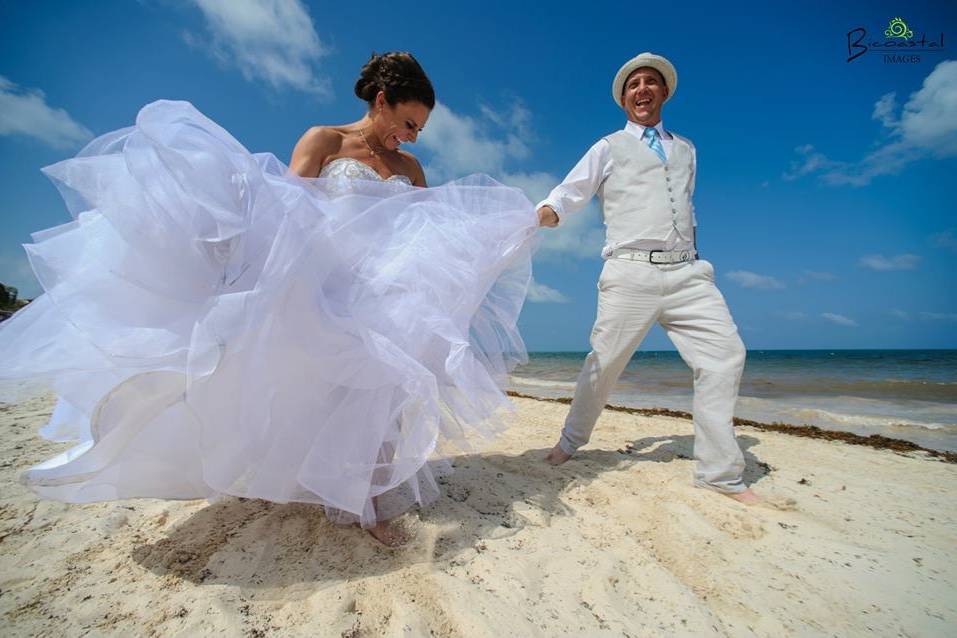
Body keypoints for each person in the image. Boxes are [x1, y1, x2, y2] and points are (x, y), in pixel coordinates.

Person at [0, 52, 538, 546]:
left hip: (386, 292)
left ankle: (369, 500)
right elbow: (282, 208)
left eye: (419, 128)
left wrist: (502, 231)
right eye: (409, 123)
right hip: (323, 285)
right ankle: (310, 481)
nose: (413, 137)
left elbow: (429, 231)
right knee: (309, 389)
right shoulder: (324, 141)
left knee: (387, 390)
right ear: (381, 102)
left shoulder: (410, 171)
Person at [536, 52, 760, 504]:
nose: (642, 89)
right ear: (624, 99)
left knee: (725, 356)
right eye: (634, 84)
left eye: (651, 82)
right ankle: (569, 442)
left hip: (688, 273)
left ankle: (720, 474)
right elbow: (571, 190)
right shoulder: (608, 146)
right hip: (630, 271)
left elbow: (684, 204)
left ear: (664, 93)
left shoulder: (687, 148)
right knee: (604, 364)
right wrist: (548, 211)